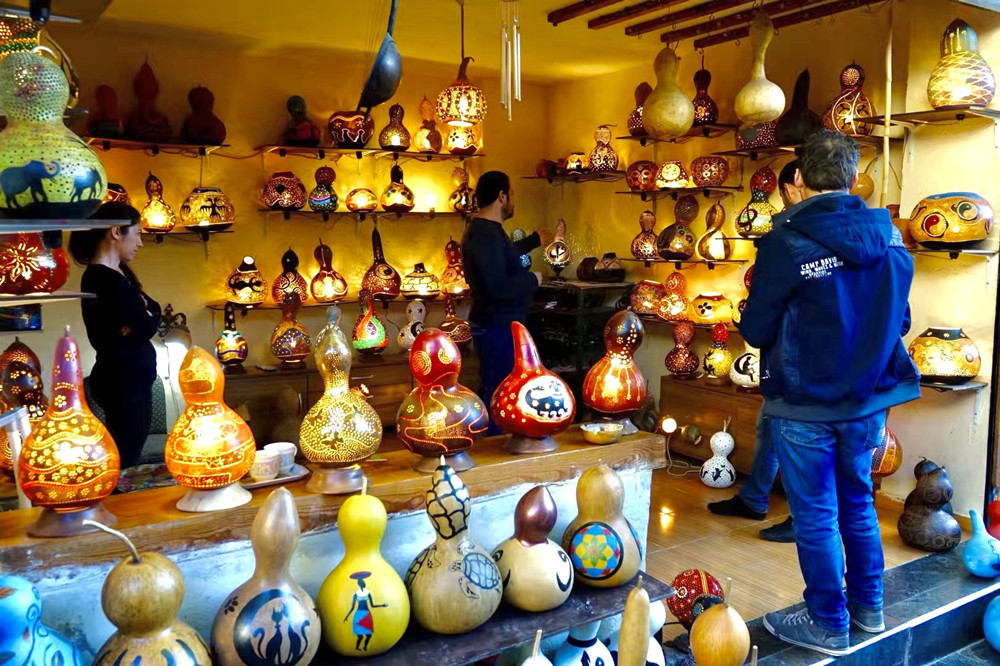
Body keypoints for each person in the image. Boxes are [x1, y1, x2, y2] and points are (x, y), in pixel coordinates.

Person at [739, 131, 920, 656]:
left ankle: (827, 622)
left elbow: (756, 328)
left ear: (798, 179)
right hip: (867, 401)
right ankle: (869, 609)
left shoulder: (784, 243)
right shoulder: (891, 239)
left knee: (817, 513)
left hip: (805, 402)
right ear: (853, 178)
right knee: (858, 503)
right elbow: (900, 320)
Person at [708, 160, 803, 544]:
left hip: (798, 361)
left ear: (794, 186)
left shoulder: (788, 239)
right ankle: (754, 497)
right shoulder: (790, 234)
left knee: (795, 437)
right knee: (771, 426)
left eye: (785, 193)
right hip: (787, 358)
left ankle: (801, 516)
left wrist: (755, 325)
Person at [69, 202, 161, 469]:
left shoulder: (121, 275)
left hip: (134, 380)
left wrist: (141, 319)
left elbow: (153, 312)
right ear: (116, 231)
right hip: (121, 381)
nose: (140, 243)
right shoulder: (102, 278)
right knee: (124, 458)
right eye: (138, 234)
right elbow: (145, 325)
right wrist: (141, 320)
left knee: (130, 453)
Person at [462, 171, 553, 435]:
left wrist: (533, 241)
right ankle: (491, 446)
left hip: (499, 324)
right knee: (498, 390)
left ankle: (496, 442)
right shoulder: (484, 234)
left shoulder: (488, 232)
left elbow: (502, 257)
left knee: (501, 387)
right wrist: (533, 279)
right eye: (511, 194)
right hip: (496, 327)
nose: (512, 199)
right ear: (502, 196)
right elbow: (496, 285)